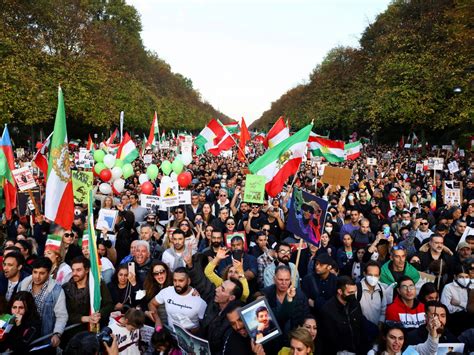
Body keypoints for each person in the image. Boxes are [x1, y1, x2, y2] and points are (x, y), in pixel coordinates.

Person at [18, 257, 68, 349]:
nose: (37, 276)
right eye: (35, 272)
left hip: (44, 337)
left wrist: (57, 334)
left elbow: (61, 315)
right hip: (23, 336)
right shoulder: (23, 285)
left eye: (42, 273)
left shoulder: (56, 291)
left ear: (49, 273)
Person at [62, 256, 113, 344]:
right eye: (73, 270)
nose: (74, 273)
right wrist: (86, 318)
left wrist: (99, 315)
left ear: (86, 270)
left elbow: (109, 304)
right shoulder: (66, 288)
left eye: (78, 270)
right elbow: (64, 313)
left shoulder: (98, 285)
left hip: (93, 332)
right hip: (73, 334)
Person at [148, 267, 207, 333]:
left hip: (190, 339)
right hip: (171, 334)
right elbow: (151, 304)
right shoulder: (167, 291)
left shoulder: (199, 300)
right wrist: (157, 320)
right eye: (175, 280)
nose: (177, 284)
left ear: (188, 281)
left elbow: (204, 325)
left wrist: (191, 332)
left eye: (181, 281)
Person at [319, 276, 368, 355]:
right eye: (350, 293)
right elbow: (329, 338)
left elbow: (361, 327)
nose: (353, 295)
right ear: (340, 291)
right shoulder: (327, 310)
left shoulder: (355, 304)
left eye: (354, 292)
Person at [262, 265, 310, 334]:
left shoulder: (300, 296)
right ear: (274, 279)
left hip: (294, 336)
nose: (284, 283)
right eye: (280, 279)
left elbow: (305, 317)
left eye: (287, 280)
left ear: (291, 279)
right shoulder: (265, 295)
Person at [440, 264, 474, 335]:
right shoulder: (448, 287)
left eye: (466, 277)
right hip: (455, 320)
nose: (464, 279)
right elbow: (446, 308)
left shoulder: (472, 286)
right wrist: (463, 309)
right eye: (461, 277)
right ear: (455, 277)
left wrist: (459, 303)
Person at [369, 321, 439, 355]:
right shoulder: (373, 353)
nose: (397, 342)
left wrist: (433, 331)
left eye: (400, 338)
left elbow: (430, 350)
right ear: (384, 337)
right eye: (392, 338)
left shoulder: (408, 351)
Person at [357, 261, 386, 326]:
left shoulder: (381, 290)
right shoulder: (357, 289)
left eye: (376, 275)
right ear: (364, 274)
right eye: (370, 275)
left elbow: (383, 311)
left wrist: (380, 324)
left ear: (379, 276)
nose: (373, 278)